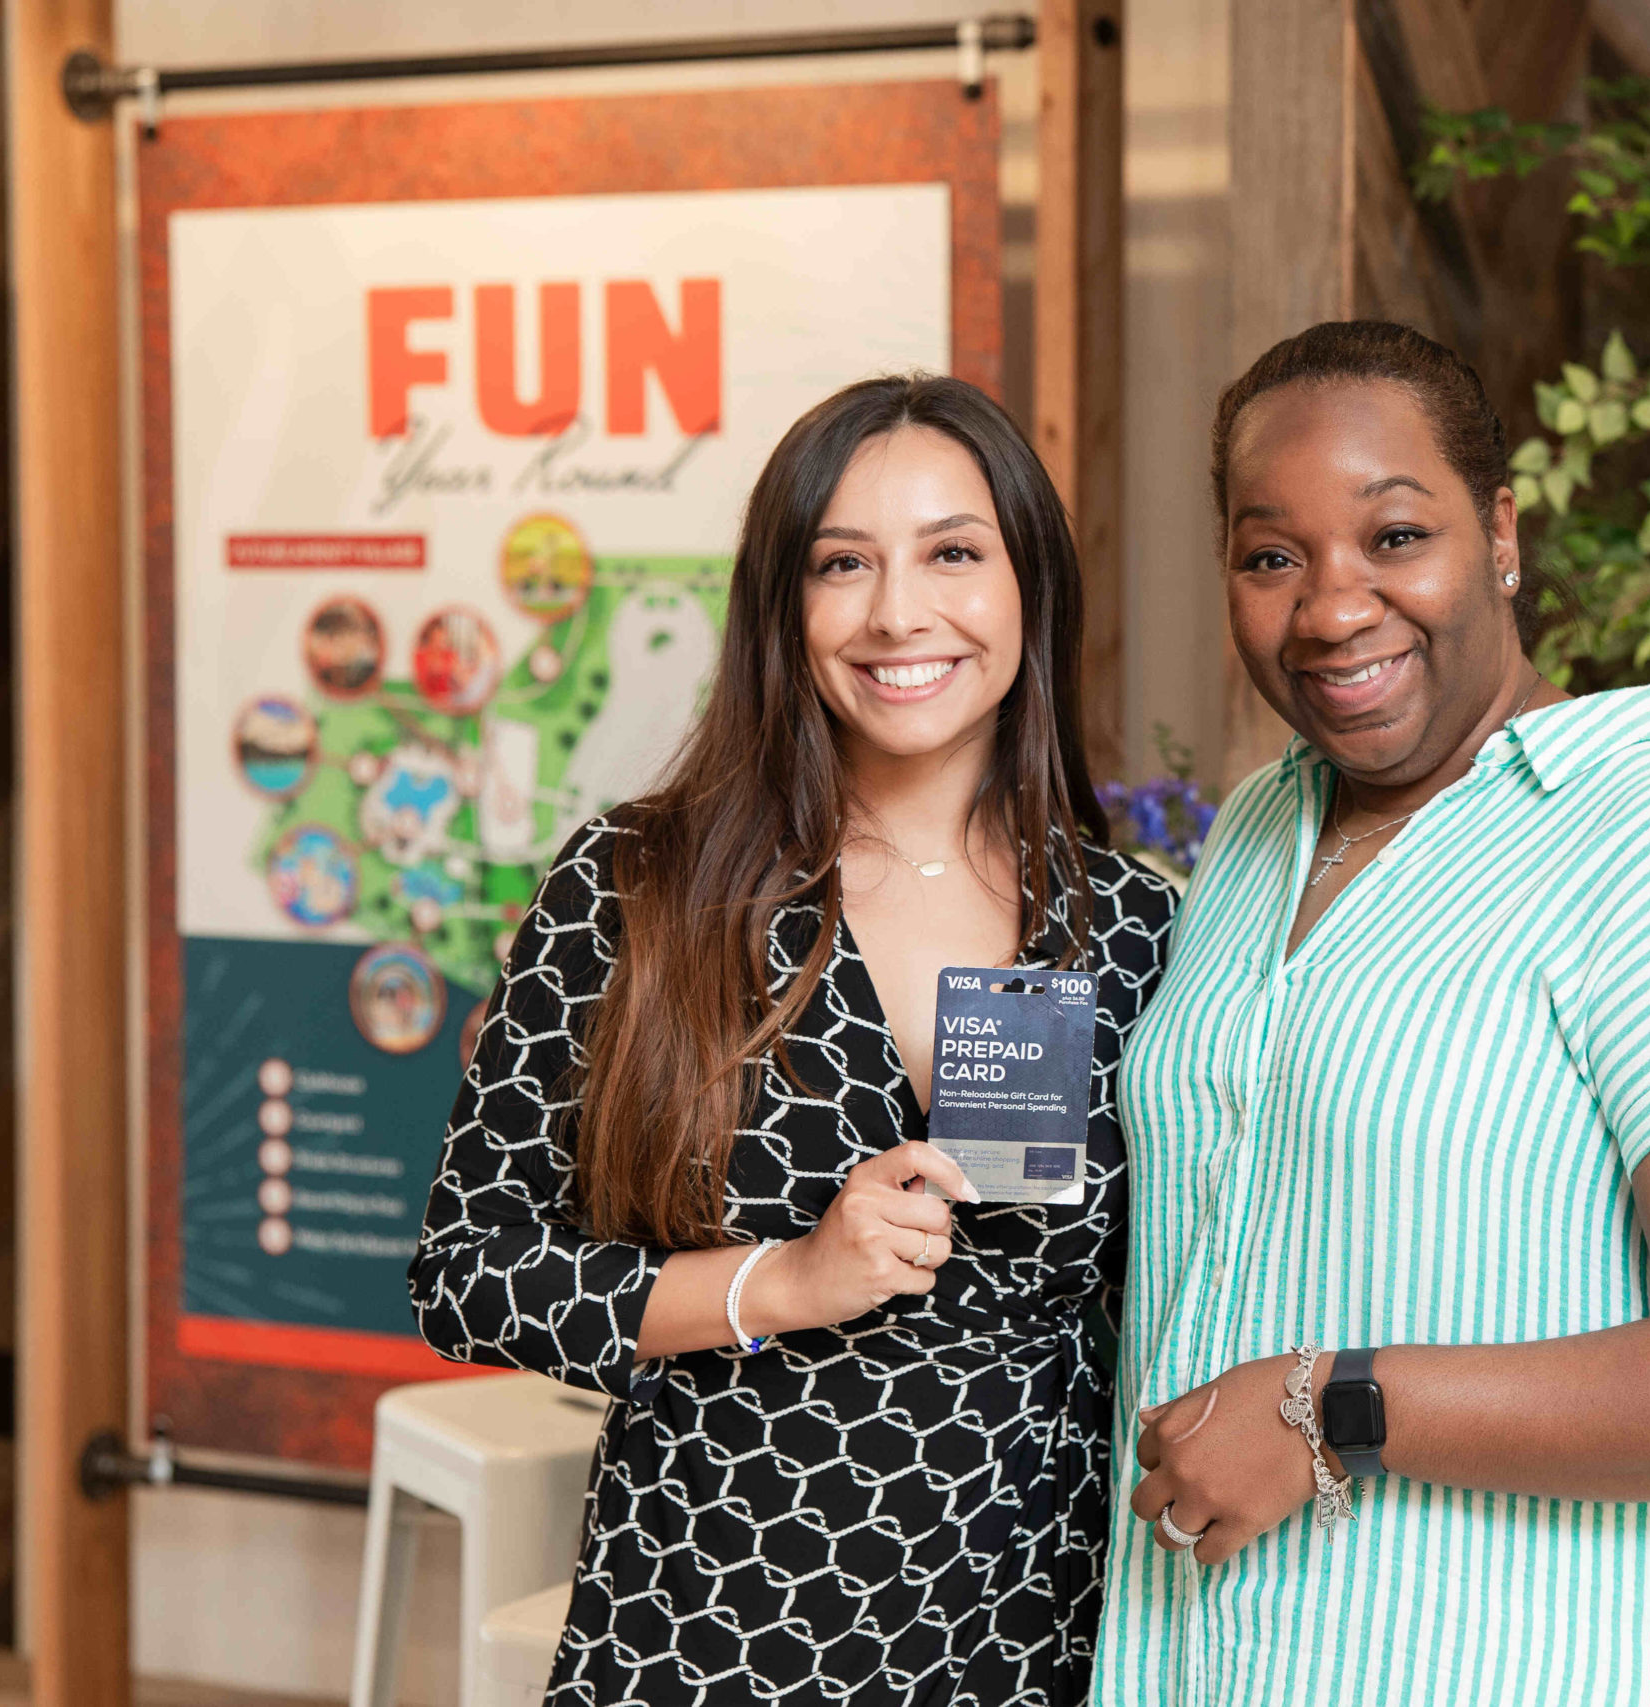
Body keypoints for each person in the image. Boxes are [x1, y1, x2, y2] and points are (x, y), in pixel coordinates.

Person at [1096, 321, 1650, 1706]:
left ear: (1501, 532)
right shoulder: (1254, 841)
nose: (1331, 606)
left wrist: (1333, 1407)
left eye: (1395, 536)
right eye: (1269, 555)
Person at [409, 374, 1177, 1706]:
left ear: (1029, 587)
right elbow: (470, 1274)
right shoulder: (638, 888)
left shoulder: (1131, 929)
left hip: (1035, 1636)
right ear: (784, 605)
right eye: (843, 563)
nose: (898, 612)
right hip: (716, 1622)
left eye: (953, 553)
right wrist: (783, 1280)